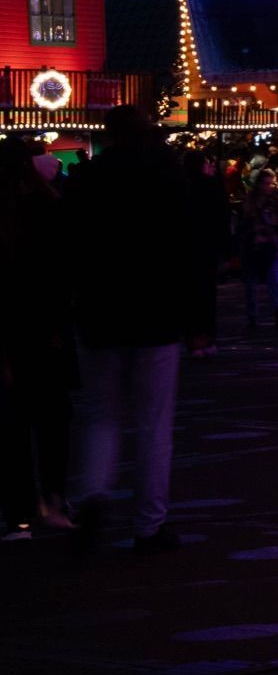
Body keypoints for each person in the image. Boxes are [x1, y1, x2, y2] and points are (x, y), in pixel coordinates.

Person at [67, 105, 193, 554]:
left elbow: (71, 246)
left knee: (100, 414)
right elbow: (185, 245)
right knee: (153, 423)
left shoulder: (87, 178)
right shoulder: (165, 176)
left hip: (100, 310)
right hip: (156, 310)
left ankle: (93, 492)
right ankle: (149, 524)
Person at [0, 135, 75, 541]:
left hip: (10, 333)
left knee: (12, 429)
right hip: (47, 330)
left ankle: (19, 514)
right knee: (52, 422)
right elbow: (62, 273)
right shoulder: (48, 207)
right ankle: (54, 500)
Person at [181, 147, 230, 354]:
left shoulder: (180, 186)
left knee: (189, 295)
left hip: (186, 247)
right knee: (207, 294)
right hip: (208, 246)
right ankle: (207, 338)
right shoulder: (211, 186)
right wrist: (226, 249)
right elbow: (223, 218)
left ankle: (193, 339)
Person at [240, 167, 278, 332]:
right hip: (253, 245)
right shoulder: (251, 200)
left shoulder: (277, 200)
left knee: (274, 280)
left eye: (271, 184)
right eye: (266, 183)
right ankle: (253, 315)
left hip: (270, 245)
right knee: (251, 284)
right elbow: (245, 223)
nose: (269, 187)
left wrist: (277, 239)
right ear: (259, 184)